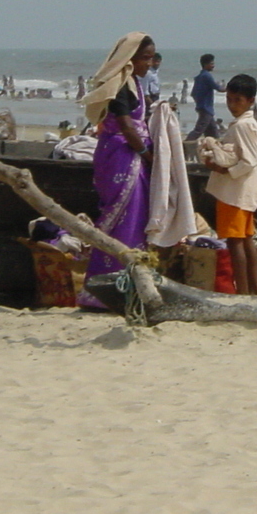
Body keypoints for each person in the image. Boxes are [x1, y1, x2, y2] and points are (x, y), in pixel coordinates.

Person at [79, 33, 157, 310]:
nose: (149, 64)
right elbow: (125, 126)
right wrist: (147, 156)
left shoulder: (135, 83)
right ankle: (103, 289)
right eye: (145, 58)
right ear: (130, 58)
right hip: (122, 158)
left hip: (132, 156)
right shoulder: (121, 86)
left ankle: (129, 284)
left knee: (136, 219)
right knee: (122, 216)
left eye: (151, 58)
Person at [199, 73, 257, 295]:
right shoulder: (247, 124)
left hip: (235, 193)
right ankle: (254, 291)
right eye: (229, 99)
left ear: (251, 101)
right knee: (246, 240)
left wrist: (223, 170)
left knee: (235, 242)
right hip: (243, 193)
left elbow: (249, 160)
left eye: (237, 100)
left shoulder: (243, 126)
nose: (232, 105)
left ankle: (244, 293)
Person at [187, 54, 225, 141]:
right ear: (205, 64)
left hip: (204, 108)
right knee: (198, 130)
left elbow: (193, 93)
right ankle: (185, 145)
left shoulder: (199, 77)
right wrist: (231, 89)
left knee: (213, 133)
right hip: (206, 109)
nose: (213, 65)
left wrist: (199, 103)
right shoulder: (207, 76)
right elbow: (219, 88)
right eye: (211, 63)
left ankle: (216, 148)